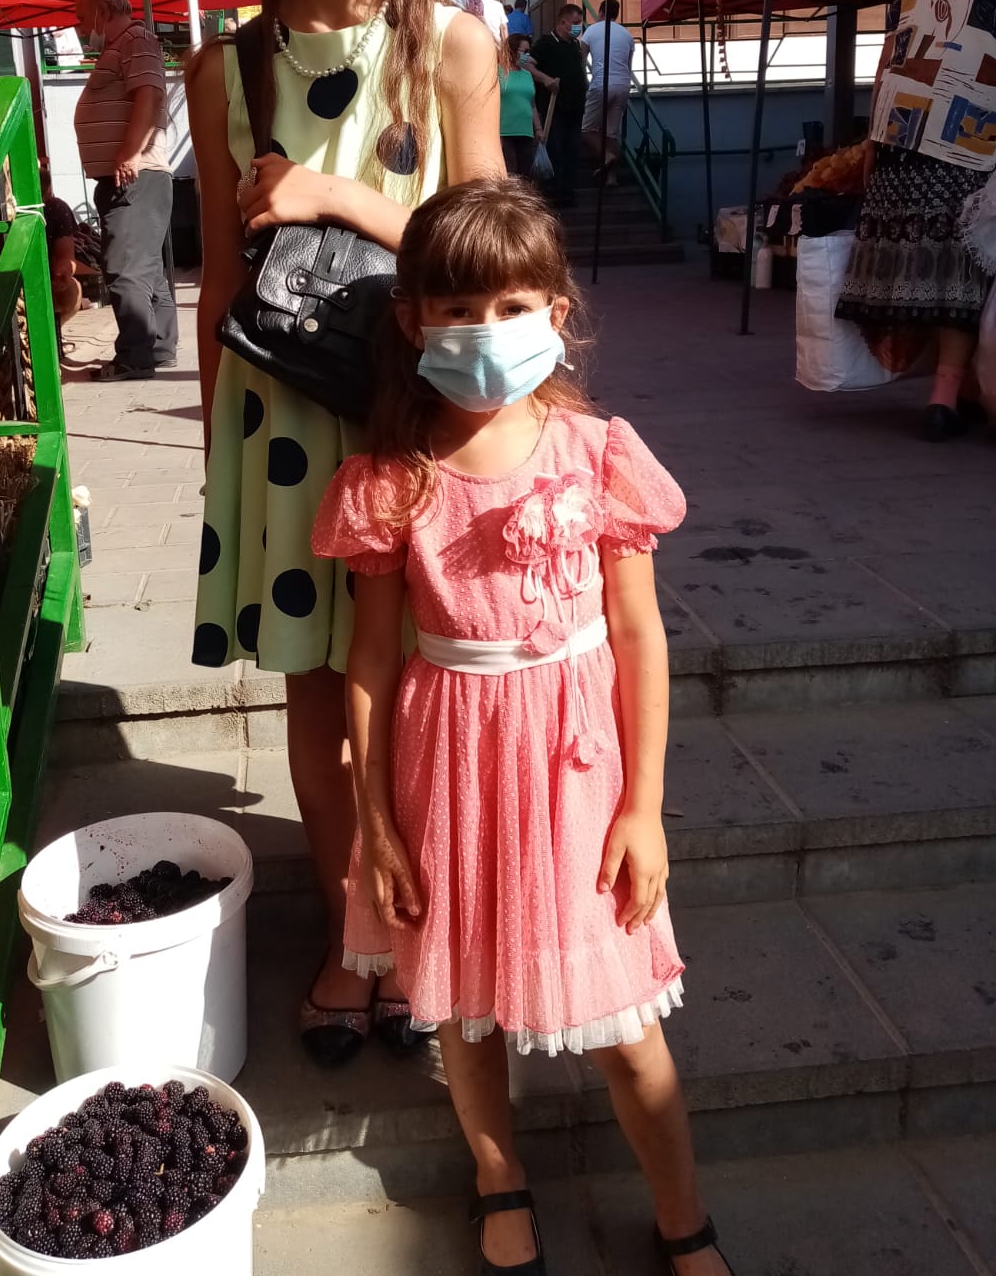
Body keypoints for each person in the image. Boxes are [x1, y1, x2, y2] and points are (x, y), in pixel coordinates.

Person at [313, 179, 734, 1276]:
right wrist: (376, 820)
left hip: (576, 778)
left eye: (509, 305)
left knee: (627, 1025)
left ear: (557, 309)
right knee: (462, 1004)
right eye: (456, 309)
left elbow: (638, 636)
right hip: (445, 766)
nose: (485, 331)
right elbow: (370, 658)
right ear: (413, 321)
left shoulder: (600, 457)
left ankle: (683, 1213)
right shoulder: (390, 480)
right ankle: (498, 1175)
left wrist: (644, 807)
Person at [185, 0, 503, 1067]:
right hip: (282, 434)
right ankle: (354, 934)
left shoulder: (455, 49)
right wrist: (213, 451)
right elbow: (218, 280)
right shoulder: (225, 68)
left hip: (422, 429)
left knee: (426, 696)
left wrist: (338, 196)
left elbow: (497, 255)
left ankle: (431, 932)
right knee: (318, 705)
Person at [835, 0, 996, 442]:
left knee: (926, 271)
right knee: (964, 275)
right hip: (970, 143)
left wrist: (874, 140)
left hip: (900, 139)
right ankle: (946, 397)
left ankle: (961, 391)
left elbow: (888, 58)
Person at [73, 0, 177, 382]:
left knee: (124, 267)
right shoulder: (121, 46)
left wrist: (130, 152)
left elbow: (149, 95)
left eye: (83, 17)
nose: (81, 27)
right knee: (144, 267)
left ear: (103, 11)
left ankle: (134, 358)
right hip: (130, 175)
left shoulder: (136, 39)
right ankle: (159, 347)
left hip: (136, 173)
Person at [529, 4, 587, 208]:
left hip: (575, 107)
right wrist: (545, 79)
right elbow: (526, 62)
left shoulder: (575, 45)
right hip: (554, 108)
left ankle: (568, 192)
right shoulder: (545, 43)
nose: (578, 27)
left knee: (572, 150)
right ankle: (553, 192)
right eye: (575, 23)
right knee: (556, 149)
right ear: (563, 22)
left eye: (580, 23)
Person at [582, 0, 636, 176]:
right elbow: (628, 65)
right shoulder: (627, 34)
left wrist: (584, 83)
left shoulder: (591, 30)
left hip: (601, 84)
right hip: (623, 85)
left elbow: (581, 61)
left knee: (587, 130)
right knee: (611, 133)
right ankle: (611, 177)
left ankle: (607, 156)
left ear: (600, 12)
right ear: (617, 14)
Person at [499, 33, 551, 178]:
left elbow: (532, 104)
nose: (527, 55)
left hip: (526, 132)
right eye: (524, 51)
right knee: (510, 173)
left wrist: (538, 129)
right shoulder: (498, 72)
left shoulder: (527, 75)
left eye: (529, 51)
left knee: (525, 175)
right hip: (504, 132)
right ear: (512, 50)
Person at [39, 162, 82, 325]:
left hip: (47, 277)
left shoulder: (56, 208)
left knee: (72, 290)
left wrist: (64, 270)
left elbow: (67, 256)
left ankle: (55, 329)